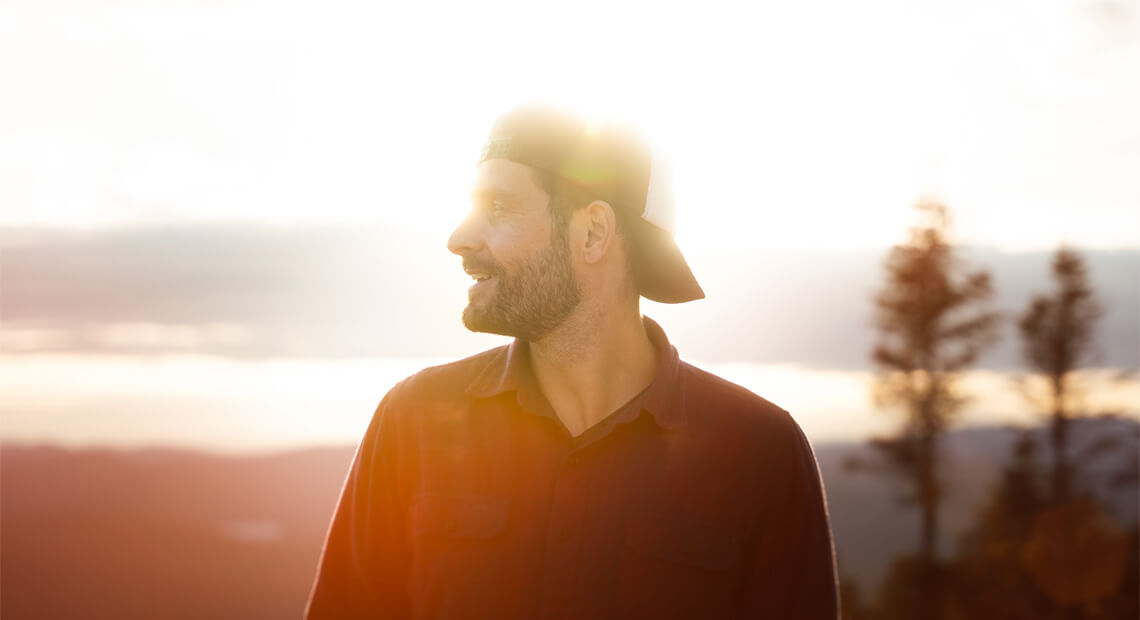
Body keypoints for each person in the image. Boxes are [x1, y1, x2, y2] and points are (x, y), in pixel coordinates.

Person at [304, 105, 839, 619]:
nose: (459, 238)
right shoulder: (412, 421)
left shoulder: (760, 451)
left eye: (497, 207)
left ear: (593, 233)